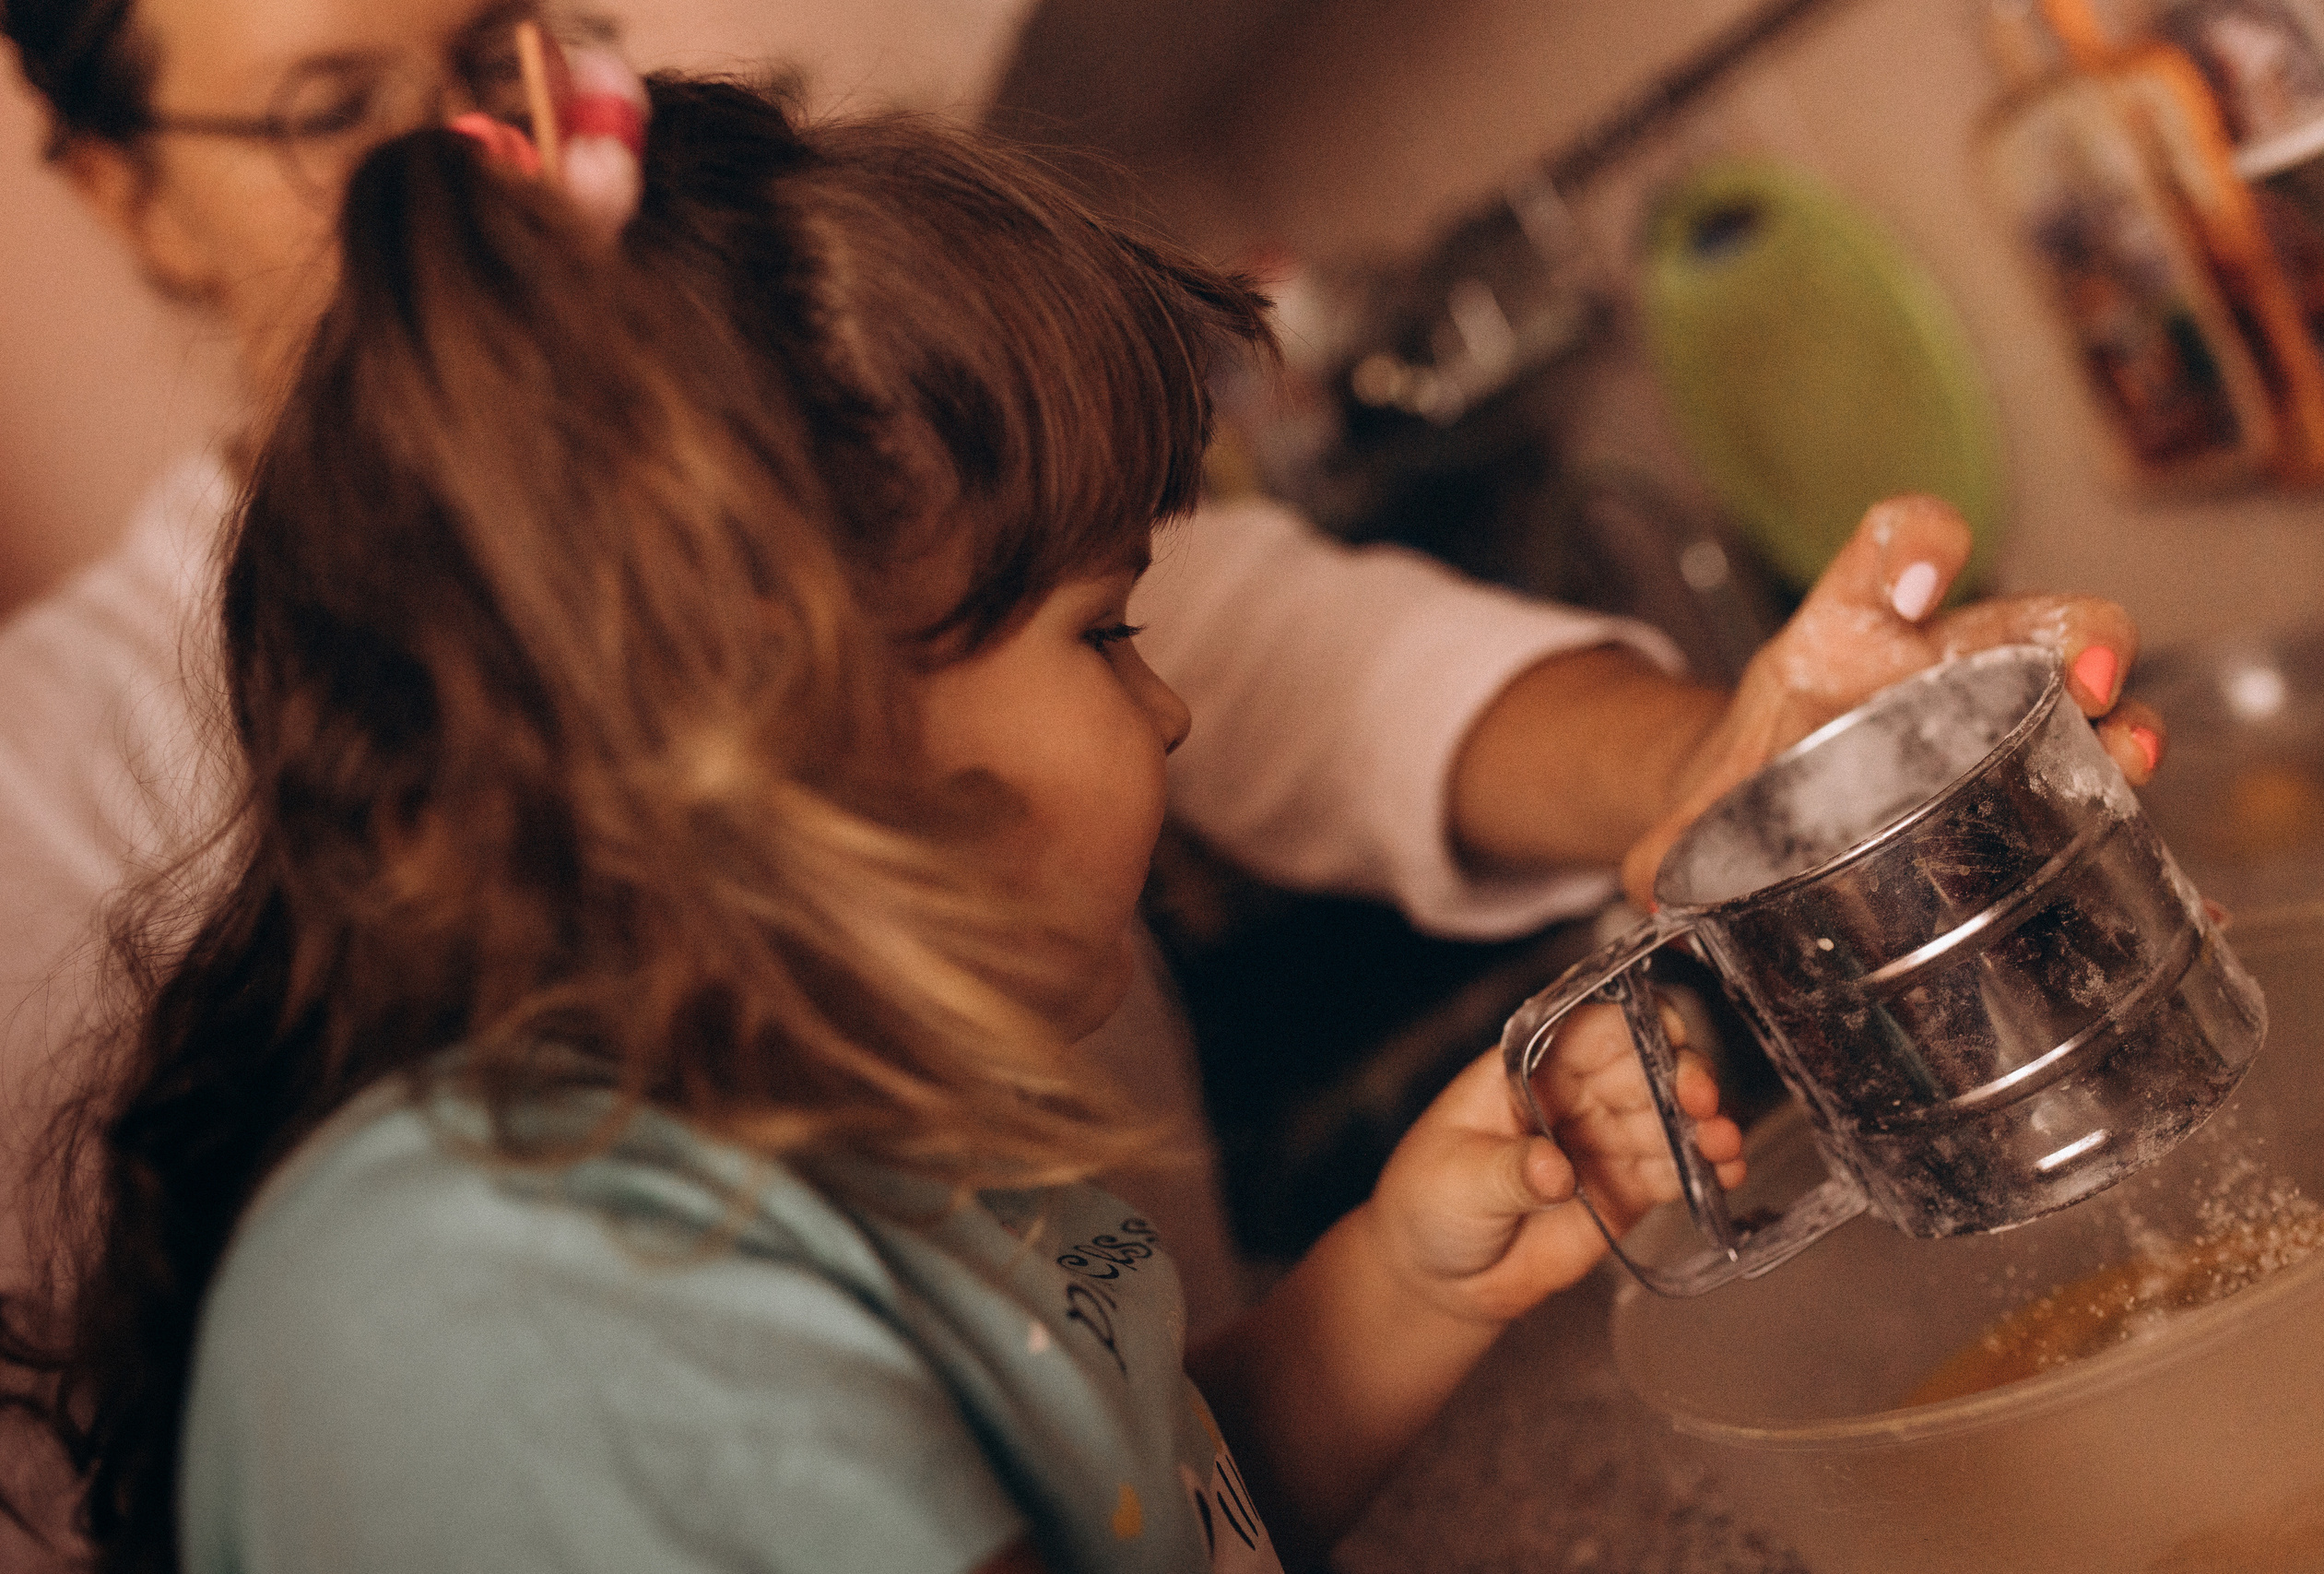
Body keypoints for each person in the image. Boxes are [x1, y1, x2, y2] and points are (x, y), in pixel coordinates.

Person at [6, 80, 1752, 1574]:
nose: (1172, 705)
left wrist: (1401, 1289)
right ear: (792, 725)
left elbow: (1144, 1507)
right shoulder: (530, 1299)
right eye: (1107, 630)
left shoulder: (839, 1172)